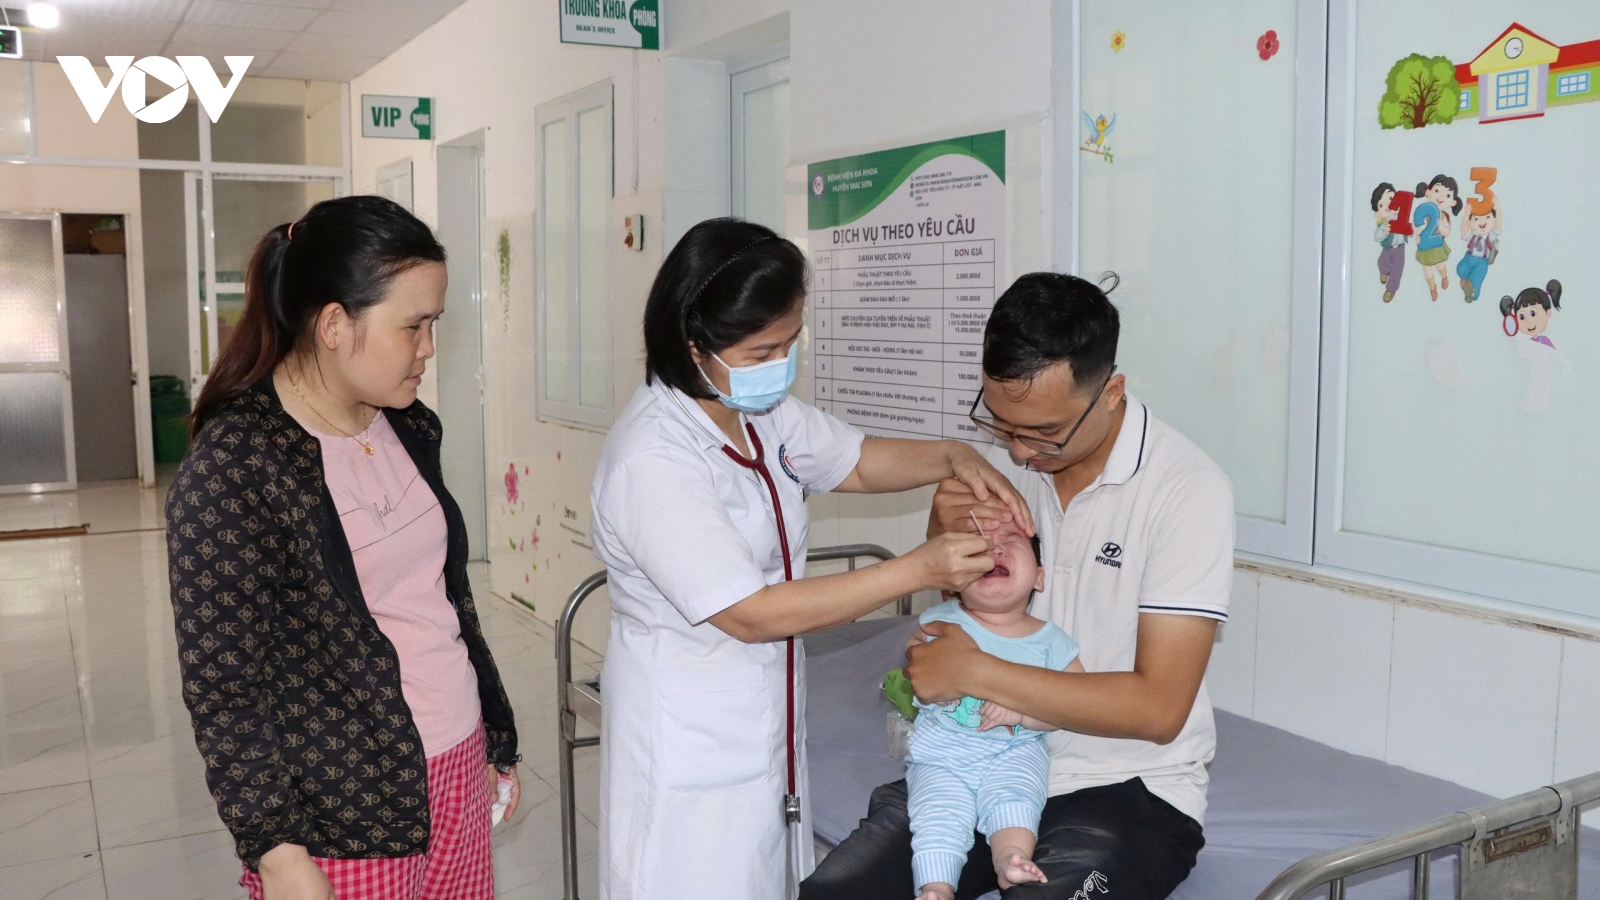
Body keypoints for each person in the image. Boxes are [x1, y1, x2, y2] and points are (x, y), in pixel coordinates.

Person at [588, 217, 1034, 900]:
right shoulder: (652, 459)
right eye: (762, 349)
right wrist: (919, 568)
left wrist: (954, 455)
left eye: (790, 341)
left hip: (762, 722)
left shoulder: (758, 412)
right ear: (693, 344)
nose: (780, 363)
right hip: (688, 746)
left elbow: (856, 461)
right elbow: (751, 613)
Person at [803, 272, 1235, 900]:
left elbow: (1159, 709)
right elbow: (963, 614)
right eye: (1001, 425)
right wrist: (940, 531)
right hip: (975, 760)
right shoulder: (1006, 467)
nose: (1020, 452)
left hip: (1126, 788)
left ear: (1112, 393)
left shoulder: (1186, 490)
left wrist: (974, 672)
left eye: (1044, 432)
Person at [166, 196, 521, 900]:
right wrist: (275, 848)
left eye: (434, 324)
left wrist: (490, 735)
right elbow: (224, 685)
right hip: (343, 810)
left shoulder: (409, 426)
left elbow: (441, 600)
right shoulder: (240, 462)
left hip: (456, 761)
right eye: (412, 326)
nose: (428, 348)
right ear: (334, 324)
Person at [905, 523, 1084, 900]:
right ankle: (936, 886)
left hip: (1014, 750)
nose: (995, 550)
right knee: (936, 813)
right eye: (981, 547)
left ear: (1039, 578)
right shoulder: (941, 621)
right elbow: (917, 670)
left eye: (1011, 542)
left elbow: (1073, 708)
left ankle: (1010, 859)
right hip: (942, 752)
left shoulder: (1051, 641)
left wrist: (1023, 714)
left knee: (1016, 800)